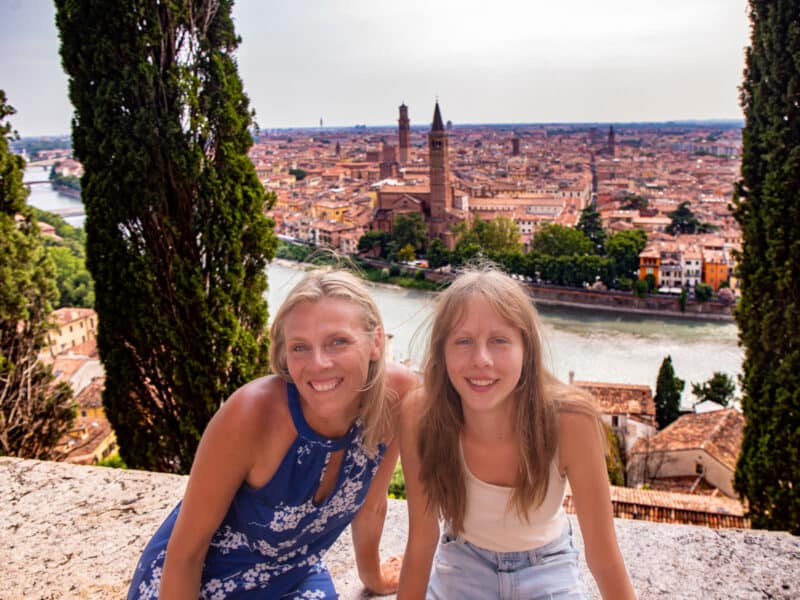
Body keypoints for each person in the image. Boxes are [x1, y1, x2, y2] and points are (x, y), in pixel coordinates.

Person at [127, 269, 417, 599]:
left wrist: (375, 578)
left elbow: (371, 504)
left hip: (291, 574)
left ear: (376, 342)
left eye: (338, 341)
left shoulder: (399, 396)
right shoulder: (251, 414)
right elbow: (185, 555)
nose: (318, 364)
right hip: (194, 584)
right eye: (300, 347)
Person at [397, 267, 636, 599]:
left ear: (527, 350)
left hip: (547, 565)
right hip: (463, 560)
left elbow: (604, 557)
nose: (481, 359)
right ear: (442, 352)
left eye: (499, 341)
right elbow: (422, 541)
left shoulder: (571, 421)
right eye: (463, 341)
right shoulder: (419, 414)